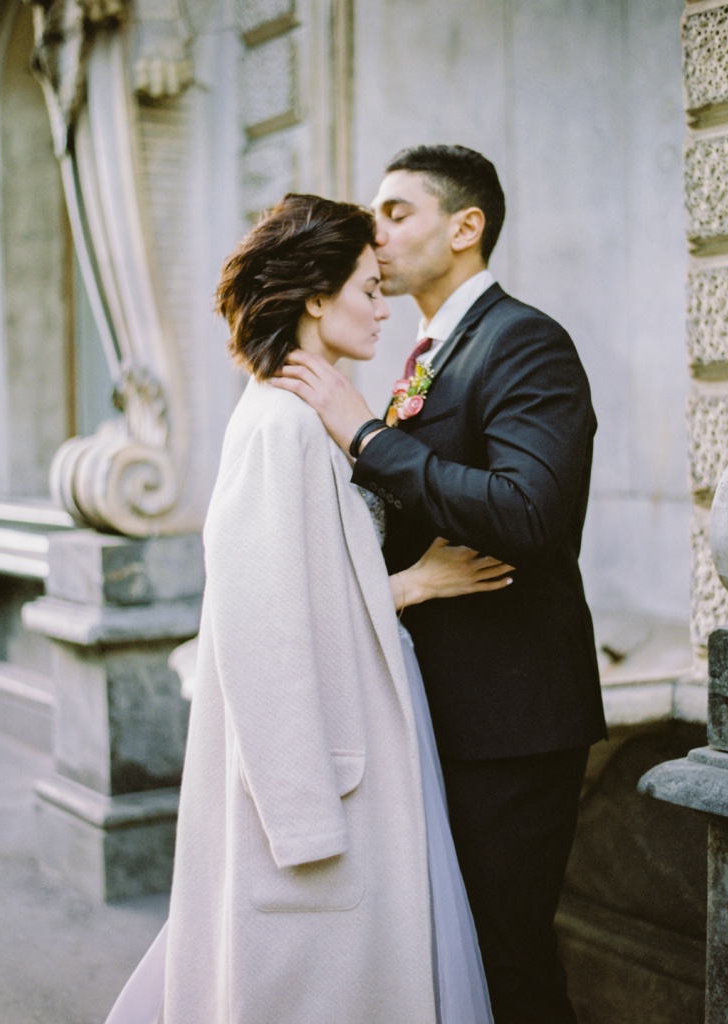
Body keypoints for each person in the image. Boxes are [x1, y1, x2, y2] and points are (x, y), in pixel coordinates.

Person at [104, 192, 514, 1024]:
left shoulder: (301, 416)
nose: (381, 308)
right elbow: (260, 631)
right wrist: (303, 823)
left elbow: (310, 588)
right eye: (368, 289)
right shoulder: (277, 427)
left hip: (349, 759)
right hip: (318, 786)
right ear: (317, 298)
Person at [272, 145, 608, 1024]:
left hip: (510, 719)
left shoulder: (523, 340)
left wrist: (365, 436)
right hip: (440, 712)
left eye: (395, 212)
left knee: (507, 958)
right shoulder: (428, 352)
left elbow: (528, 513)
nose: (374, 231)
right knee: (455, 961)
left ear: (466, 227)